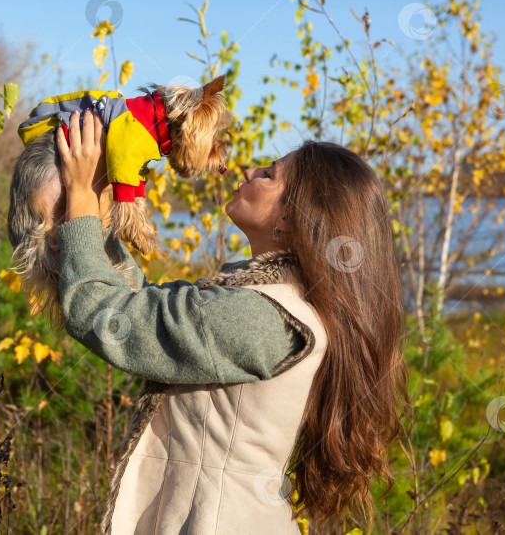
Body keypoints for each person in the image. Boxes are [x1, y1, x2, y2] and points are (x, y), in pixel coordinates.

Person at [53, 109, 407, 534]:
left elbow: (107, 316)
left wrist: (80, 200)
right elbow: (144, 305)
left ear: (291, 219)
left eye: (269, 175)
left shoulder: (260, 318)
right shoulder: (269, 303)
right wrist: (95, 209)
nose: (249, 171)